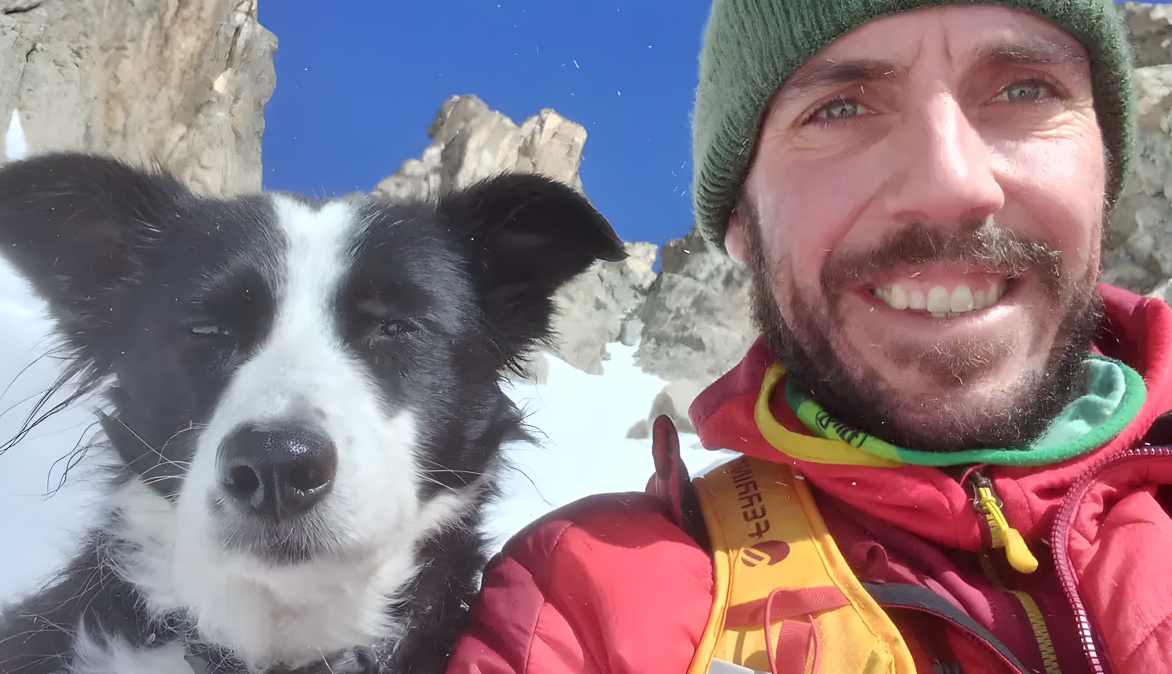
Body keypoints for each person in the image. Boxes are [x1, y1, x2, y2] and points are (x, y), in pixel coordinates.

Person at [444, 1, 1172, 672]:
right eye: (840, 107)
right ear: (741, 225)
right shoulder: (584, 606)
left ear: (1106, 164)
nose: (950, 182)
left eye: (1025, 91)